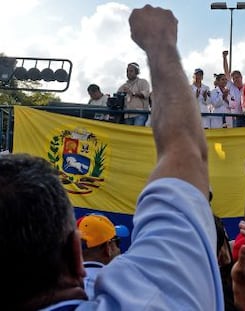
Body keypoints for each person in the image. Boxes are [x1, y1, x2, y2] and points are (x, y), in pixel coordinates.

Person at [0, 5, 224, 310]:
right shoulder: (148, 299)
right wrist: (161, 44)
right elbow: (184, 148)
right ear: (74, 253)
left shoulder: (142, 85)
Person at [77, 214, 130, 300]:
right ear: (108, 247)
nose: (119, 250)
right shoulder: (122, 288)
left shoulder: (56, 286)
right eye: (117, 243)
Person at [118, 62, 151, 126]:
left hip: (140, 114)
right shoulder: (123, 86)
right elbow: (117, 96)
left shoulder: (143, 82)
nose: (128, 73)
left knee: (138, 134)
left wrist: (132, 93)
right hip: (127, 115)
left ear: (137, 72)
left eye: (131, 71)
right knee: (128, 135)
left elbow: (146, 94)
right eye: (127, 71)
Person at [222, 50, 245, 127]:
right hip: (235, 117)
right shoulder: (231, 86)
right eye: (233, 78)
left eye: (237, 77)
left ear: (241, 77)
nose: (235, 80)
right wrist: (224, 58)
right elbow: (226, 72)